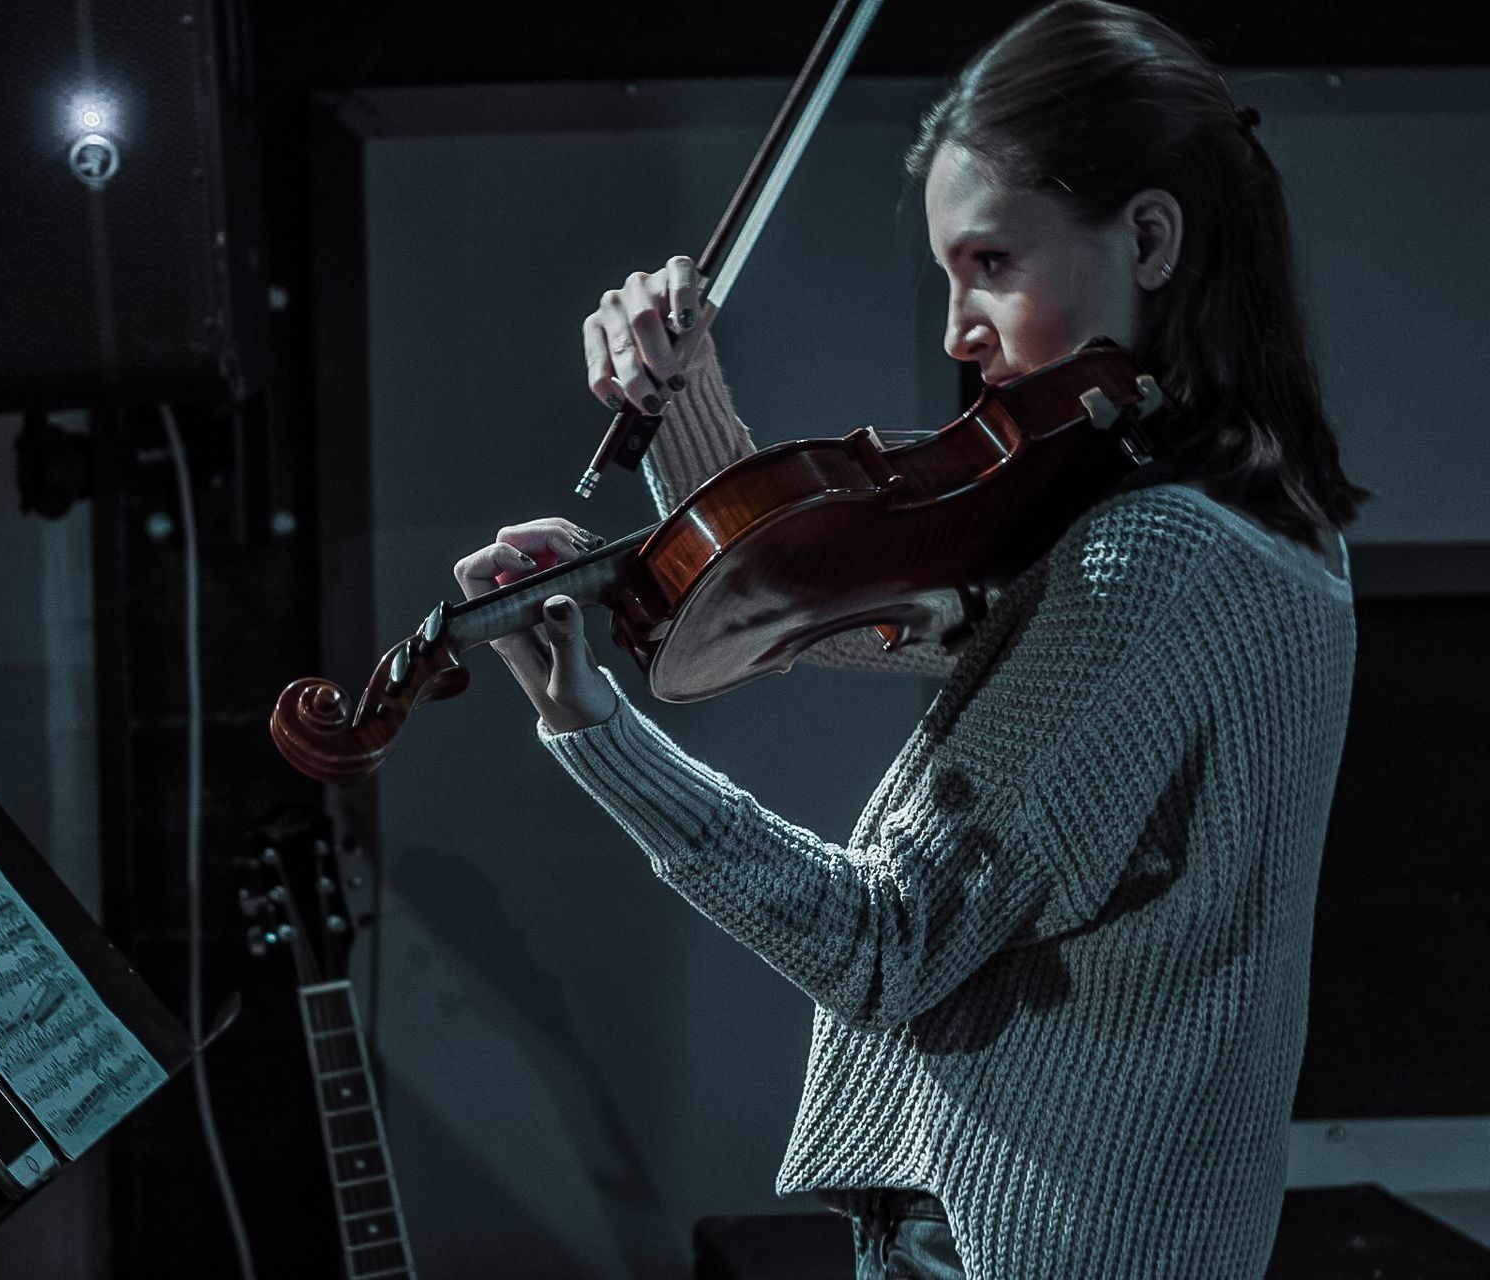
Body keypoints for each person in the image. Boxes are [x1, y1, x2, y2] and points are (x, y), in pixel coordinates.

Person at [451, 2, 1368, 1276]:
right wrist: (686, 392)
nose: (957, 329)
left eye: (991, 261)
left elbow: (886, 942)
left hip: (1017, 1245)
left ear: (1151, 237)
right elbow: (833, 598)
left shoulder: (1156, 559)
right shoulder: (1270, 535)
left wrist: (593, 728)